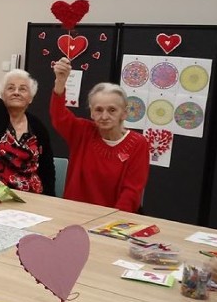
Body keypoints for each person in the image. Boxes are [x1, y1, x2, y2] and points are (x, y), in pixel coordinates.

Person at [51, 58, 149, 212]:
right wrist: (60, 81)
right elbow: (59, 116)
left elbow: (131, 193)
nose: (104, 116)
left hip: (112, 220)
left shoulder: (138, 144)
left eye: (112, 110)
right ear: (91, 112)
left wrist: (111, 225)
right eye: (98, 110)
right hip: (72, 213)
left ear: (124, 113)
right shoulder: (82, 131)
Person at [0, 36, 55, 195]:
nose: (16, 92)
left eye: (23, 89)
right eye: (11, 88)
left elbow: (47, 168)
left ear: (31, 98)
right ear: (3, 95)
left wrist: (51, 202)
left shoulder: (38, 127)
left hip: (32, 197)